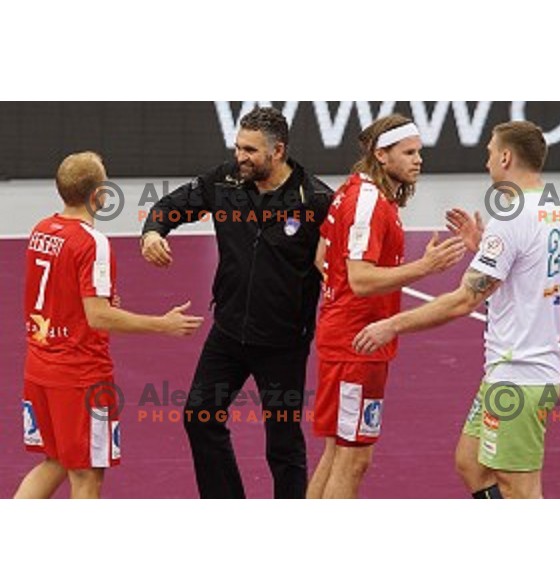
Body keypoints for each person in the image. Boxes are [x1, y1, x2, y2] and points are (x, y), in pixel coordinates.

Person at [353, 121, 560, 499]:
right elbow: (530, 269)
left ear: (506, 157)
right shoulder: (554, 206)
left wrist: (392, 324)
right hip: (513, 368)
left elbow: (463, 300)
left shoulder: (512, 216)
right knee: (471, 462)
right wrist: (484, 247)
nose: (487, 159)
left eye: (490, 151)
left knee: (521, 489)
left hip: (519, 374)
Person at [141, 107, 334, 499]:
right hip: (227, 334)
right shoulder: (224, 181)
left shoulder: (315, 200)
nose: (240, 157)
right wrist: (153, 233)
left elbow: (340, 266)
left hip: (283, 344)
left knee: (282, 444)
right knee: (199, 418)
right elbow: (167, 208)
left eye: (250, 150)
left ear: (277, 151)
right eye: (237, 147)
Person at [15, 152, 204, 500]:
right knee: (87, 475)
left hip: (40, 368)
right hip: (79, 376)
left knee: (54, 460)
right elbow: (98, 316)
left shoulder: (41, 230)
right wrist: (162, 324)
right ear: (98, 195)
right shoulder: (91, 243)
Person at [307, 114, 467, 499]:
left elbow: (322, 257)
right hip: (357, 346)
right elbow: (361, 279)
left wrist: (343, 299)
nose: (418, 160)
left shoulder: (354, 191)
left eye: (419, 152)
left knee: (336, 453)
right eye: (408, 152)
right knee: (354, 460)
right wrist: (424, 267)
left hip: (347, 338)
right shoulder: (370, 203)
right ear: (381, 154)